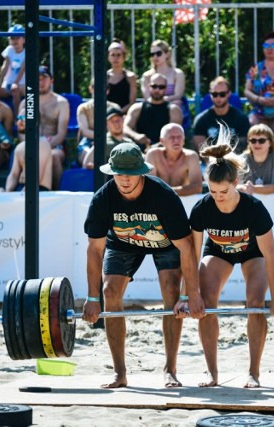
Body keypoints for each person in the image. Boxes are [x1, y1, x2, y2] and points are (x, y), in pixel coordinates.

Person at [82, 142, 205, 388]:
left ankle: (170, 370)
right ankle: (120, 373)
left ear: (142, 172)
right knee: (109, 293)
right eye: (119, 174)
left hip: (165, 243)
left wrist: (192, 294)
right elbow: (95, 250)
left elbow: (186, 247)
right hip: (123, 242)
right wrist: (92, 298)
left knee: (171, 291)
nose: (125, 180)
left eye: (130, 174)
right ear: (112, 172)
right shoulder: (103, 199)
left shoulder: (163, 196)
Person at [175, 129, 274, 388]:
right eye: (212, 192)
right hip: (219, 251)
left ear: (235, 183)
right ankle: (212, 374)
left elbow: (270, 255)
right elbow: (192, 255)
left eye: (223, 191)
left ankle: (253, 373)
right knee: (205, 303)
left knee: (255, 303)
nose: (218, 197)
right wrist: (186, 296)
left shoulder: (254, 209)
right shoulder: (203, 208)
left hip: (252, 253)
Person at [16, 65, 69, 190]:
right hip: (29, 145)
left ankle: (56, 194)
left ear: (51, 80)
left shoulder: (61, 102)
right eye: (37, 78)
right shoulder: (25, 103)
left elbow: (61, 134)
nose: (41, 81)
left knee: (54, 156)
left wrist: (43, 148)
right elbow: (21, 131)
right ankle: (17, 192)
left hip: (54, 146)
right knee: (21, 155)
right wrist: (32, 147)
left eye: (44, 78)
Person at [124, 73, 182, 151]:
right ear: (149, 86)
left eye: (161, 87)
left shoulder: (174, 110)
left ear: (166, 89)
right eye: (154, 86)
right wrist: (136, 136)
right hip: (139, 152)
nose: (157, 90)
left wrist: (157, 146)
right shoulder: (137, 108)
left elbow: (175, 135)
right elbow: (126, 127)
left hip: (165, 151)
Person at [192, 76, 250, 153]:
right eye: (214, 94)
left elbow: (243, 144)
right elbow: (200, 146)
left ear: (229, 94)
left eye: (222, 94)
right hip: (209, 161)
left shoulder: (241, 118)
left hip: (233, 161)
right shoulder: (201, 119)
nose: (218, 98)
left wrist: (227, 162)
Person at [145, 123, 203, 196]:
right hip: (158, 200)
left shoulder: (191, 156)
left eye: (179, 137)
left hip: (183, 200)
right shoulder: (153, 155)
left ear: (184, 139)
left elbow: (197, 188)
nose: (176, 140)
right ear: (162, 141)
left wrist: (167, 192)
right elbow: (149, 186)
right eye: (171, 137)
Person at [76, 80, 121, 166]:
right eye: (95, 87)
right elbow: (85, 131)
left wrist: (104, 140)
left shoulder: (115, 107)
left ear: (108, 91)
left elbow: (119, 128)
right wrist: (100, 140)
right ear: (91, 89)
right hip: (88, 142)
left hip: (111, 140)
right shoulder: (83, 108)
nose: (100, 90)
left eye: (104, 88)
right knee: (87, 160)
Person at [238, 124, 274, 194]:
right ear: (248, 142)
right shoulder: (243, 159)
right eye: (253, 140)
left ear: (270, 142)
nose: (257, 144)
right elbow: (235, 185)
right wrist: (243, 188)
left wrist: (251, 188)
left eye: (261, 140)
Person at [141, 40, 185, 107]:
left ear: (167, 54)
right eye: (152, 54)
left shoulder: (177, 74)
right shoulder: (146, 76)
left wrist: (160, 101)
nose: (155, 57)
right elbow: (147, 98)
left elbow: (178, 95)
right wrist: (164, 101)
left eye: (158, 53)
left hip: (172, 110)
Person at [0, 24, 26, 112]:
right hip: (8, 83)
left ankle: (17, 117)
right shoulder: (9, 50)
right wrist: (0, 84)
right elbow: (5, 67)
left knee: (15, 91)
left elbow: (22, 69)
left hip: (22, 83)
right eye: (12, 38)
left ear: (23, 39)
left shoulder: (26, 52)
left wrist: (16, 83)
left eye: (17, 38)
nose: (14, 40)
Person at [107, 39, 137, 113]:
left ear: (124, 57)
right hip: (106, 116)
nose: (115, 58)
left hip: (125, 115)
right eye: (113, 55)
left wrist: (118, 113)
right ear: (108, 57)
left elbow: (132, 102)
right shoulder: (104, 77)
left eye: (118, 55)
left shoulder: (131, 77)